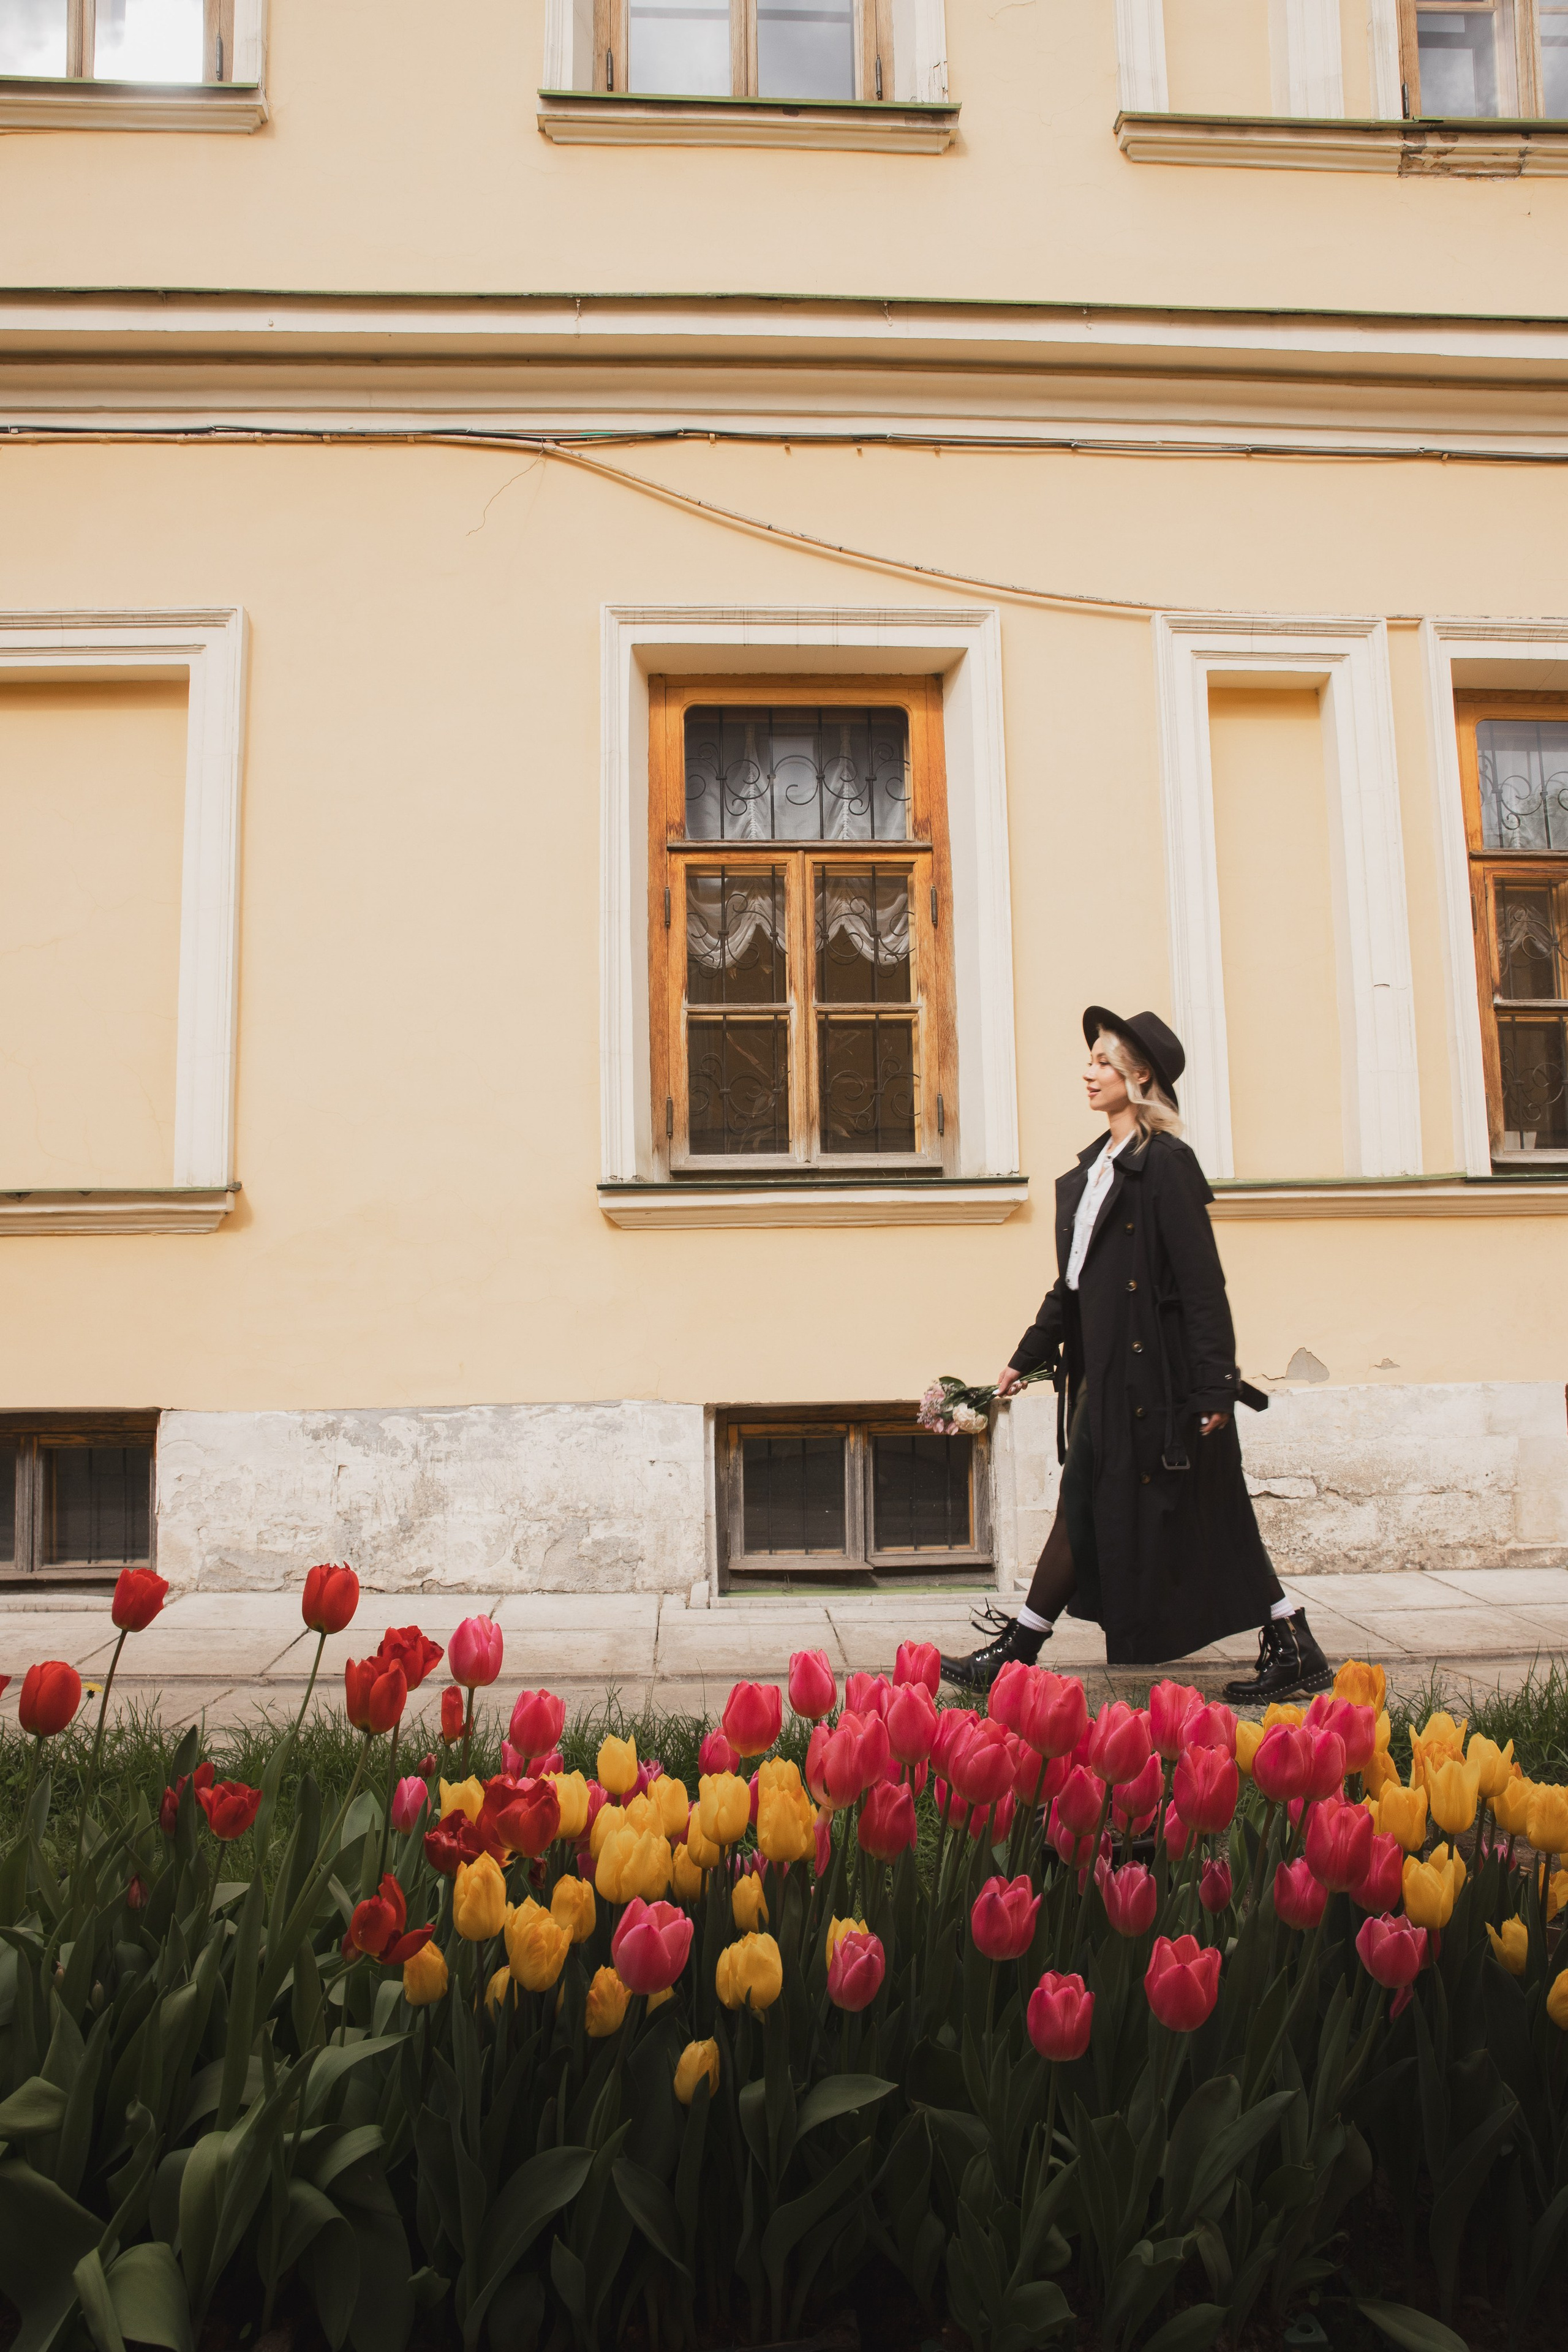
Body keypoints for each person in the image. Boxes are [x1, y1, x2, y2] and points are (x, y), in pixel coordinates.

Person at [940, 1007, 1330, 1703]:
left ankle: (1017, 1652)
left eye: (1100, 1061)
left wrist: (1212, 1388)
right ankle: (1290, 1641)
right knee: (1168, 1509)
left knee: (1153, 1507)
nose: (1087, 1072)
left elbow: (1203, 1283)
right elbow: (1071, 1285)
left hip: (1159, 1379)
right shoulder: (1095, 1170)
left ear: (1137, 1075)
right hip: (1107, 1376)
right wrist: (1023, 1358)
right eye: (1090, 1061)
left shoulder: (1167, 1166)